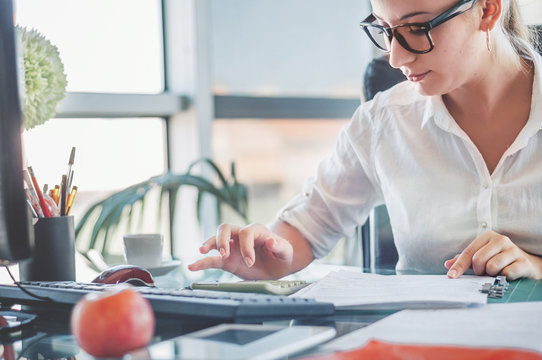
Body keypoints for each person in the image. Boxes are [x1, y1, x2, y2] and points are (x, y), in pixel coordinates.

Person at [189, 0, 542, 281]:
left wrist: (535, 266)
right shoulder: (383, 122)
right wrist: (265, 255)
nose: (396, 57)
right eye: (386, 30)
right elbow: (309, 225)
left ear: (488, 9)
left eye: (417, 28)